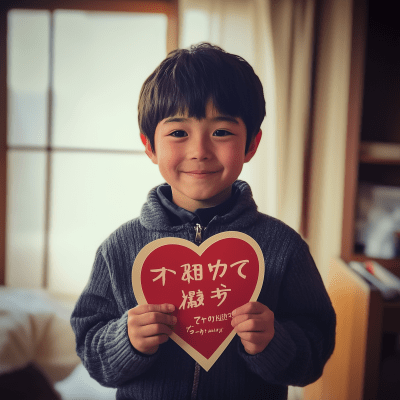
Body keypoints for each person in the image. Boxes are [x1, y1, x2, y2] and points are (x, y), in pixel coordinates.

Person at [71, 43, 336, 400]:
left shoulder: (283, 247)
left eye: (222, 132)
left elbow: (315, 351)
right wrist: (126, 340)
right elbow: (91, 349)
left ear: (251, 144)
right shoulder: (119, 248)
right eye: (178, 133)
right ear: (149, 145)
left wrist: (275, 343)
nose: (199, 151)